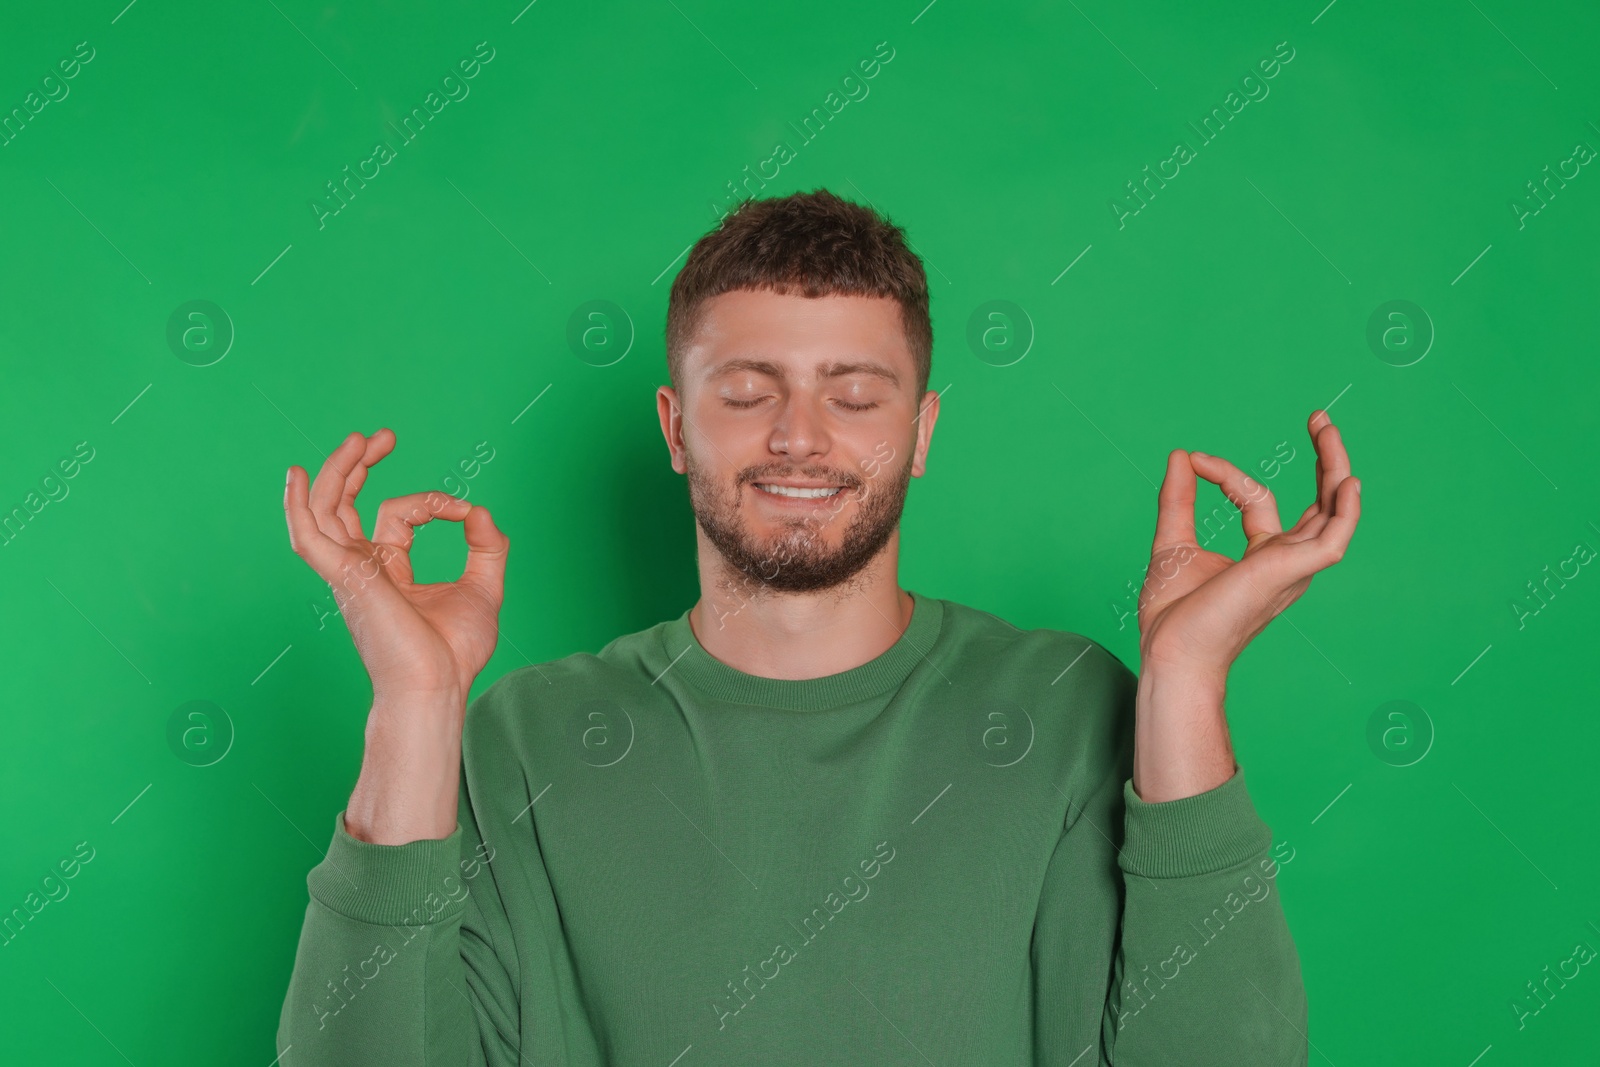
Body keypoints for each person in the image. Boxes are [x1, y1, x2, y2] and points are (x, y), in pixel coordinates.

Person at [275, 188, 1359, 1066]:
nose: (800, 436)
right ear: (674, 425)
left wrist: (1184, 676)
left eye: (854, 394)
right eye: (747, 391)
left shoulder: (1063, 705)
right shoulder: (528, 735)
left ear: (921, 428)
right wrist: (414, 704)